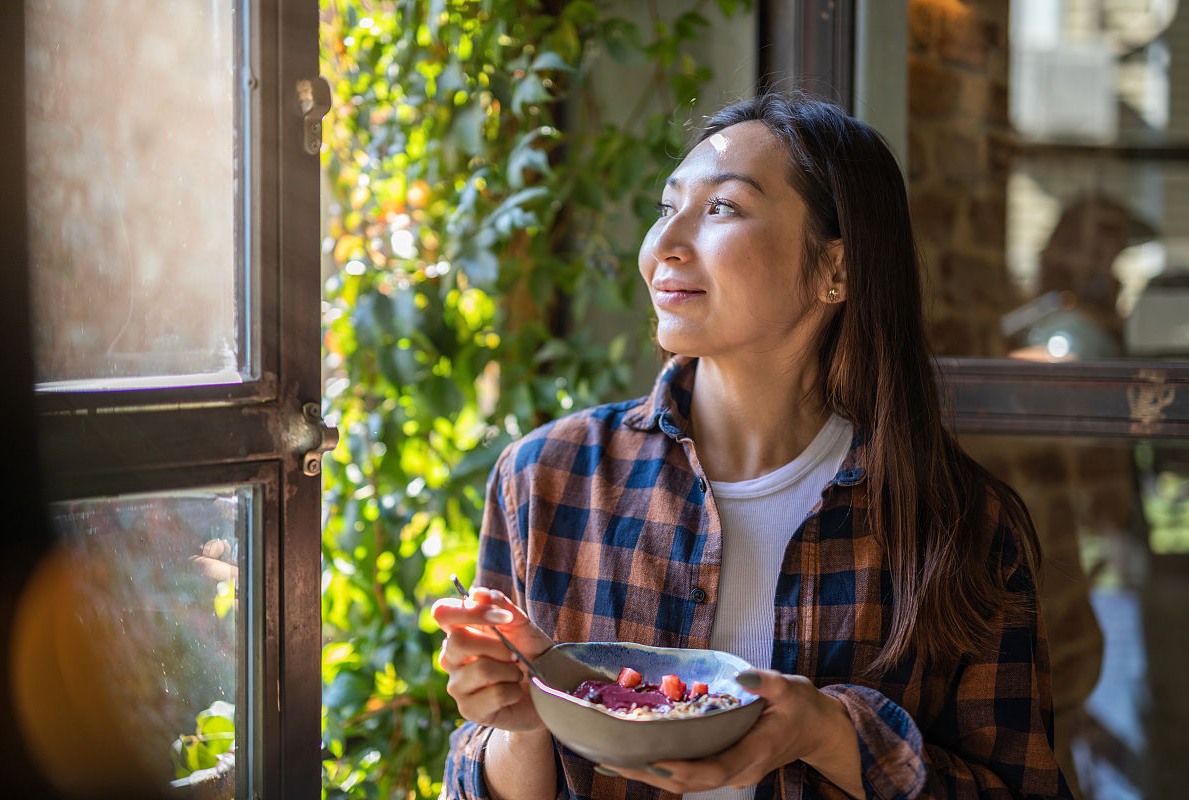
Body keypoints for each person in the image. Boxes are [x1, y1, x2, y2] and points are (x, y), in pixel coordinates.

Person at [431, 91, 1072, 800]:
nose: (663, 247)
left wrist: (828, 733)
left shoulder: (960, 524)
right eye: (665, 207)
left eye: (722, 209)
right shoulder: (548, 478)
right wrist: (526, 720)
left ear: (838, 269)